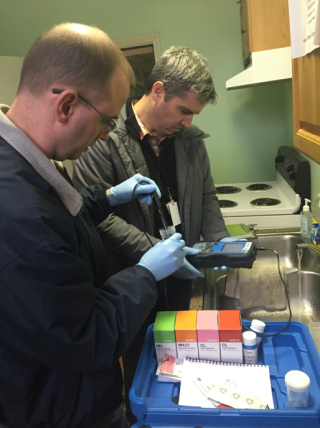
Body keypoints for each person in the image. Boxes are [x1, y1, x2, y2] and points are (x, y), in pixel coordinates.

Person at [0, 23, 199, 428]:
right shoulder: (23, 218)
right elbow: (87, 335)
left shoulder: (23, 159)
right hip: (56, 410)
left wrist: (107, 196)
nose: (109, 133)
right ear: (67, 105)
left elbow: (62, 215)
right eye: (108, 120)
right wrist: (146, 272)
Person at [73, 46, 231, 425]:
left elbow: (207, 196)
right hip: (130, 281)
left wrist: (221, 244)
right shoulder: (103, 138)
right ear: (158, 90)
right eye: (184, 110)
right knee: (140, 363)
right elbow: (99, 218)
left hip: (181, 274)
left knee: (181, 362)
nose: (189, 121)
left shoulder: (190, 141)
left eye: (194, 113)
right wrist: (159, 255)